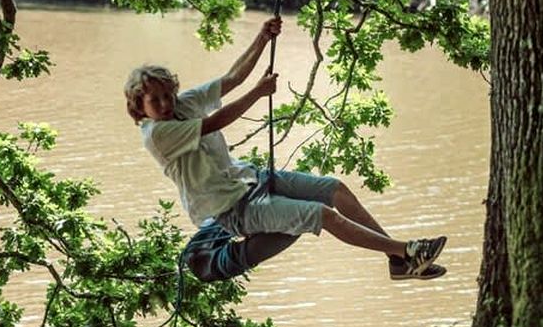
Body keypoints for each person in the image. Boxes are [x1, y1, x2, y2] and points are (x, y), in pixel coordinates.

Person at [125, 17, 447, 281]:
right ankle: (407, 250)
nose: (166, 104)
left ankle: (397, 260)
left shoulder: (185, 103)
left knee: (335, 190)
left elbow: (233, 77)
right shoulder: (157, 134)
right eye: (156, 100)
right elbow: (214, 123)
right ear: (139, 105)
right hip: (232, 208)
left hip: (250, 179)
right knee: (321, 216)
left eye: (168, 95)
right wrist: (257, 94)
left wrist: (263, 38)